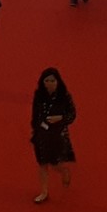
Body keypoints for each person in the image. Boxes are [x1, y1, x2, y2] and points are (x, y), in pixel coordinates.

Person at [29, 68, 76, 204]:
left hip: (57, 135)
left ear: (58, 81)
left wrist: (60, 118)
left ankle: (64, 171)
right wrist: (35, 130)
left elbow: (72, 115)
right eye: (47, 81)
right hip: (42, 135)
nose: (49, 83)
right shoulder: (39, 95)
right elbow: (35, 114)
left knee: (55, 164)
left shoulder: (64, 96)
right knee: (42, 164)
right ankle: (44, 192)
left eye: (52, 81)